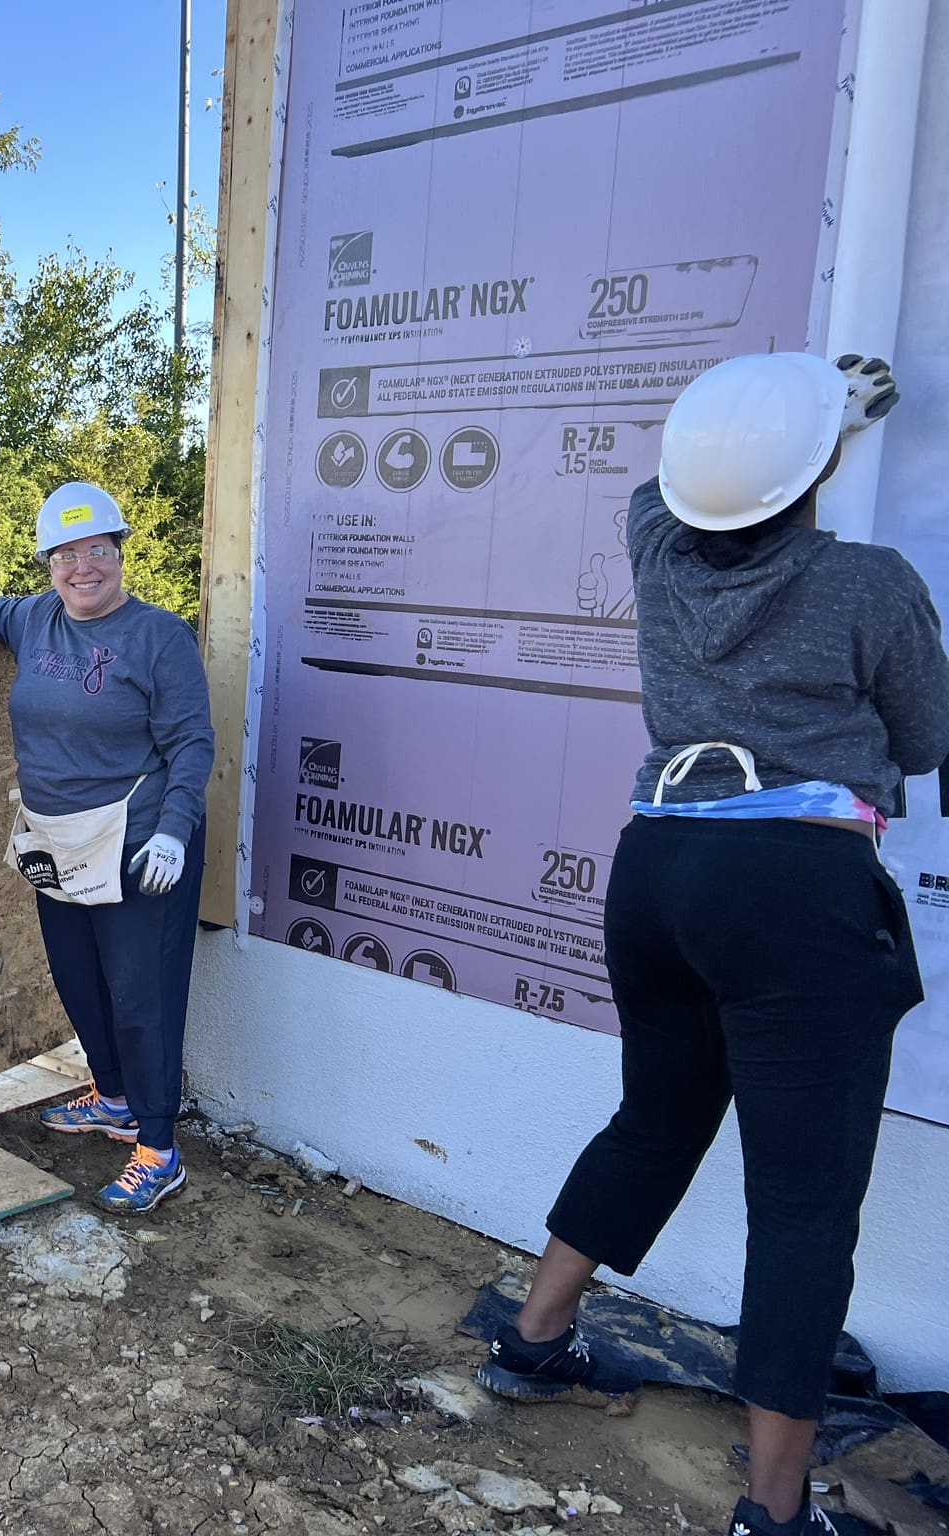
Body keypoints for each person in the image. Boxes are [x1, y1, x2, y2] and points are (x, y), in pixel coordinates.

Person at [474, 354, 947, 1536]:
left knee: (654, 1118)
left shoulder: (650, 544)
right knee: (800, 1205)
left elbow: (673, 486)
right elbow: (927, 738)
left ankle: (533, 1343)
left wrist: (799, 414)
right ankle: (773, 1509)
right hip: (794, 890)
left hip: (659, 869)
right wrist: (829, 411)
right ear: (819, 471)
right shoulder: (869, 583)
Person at [0, 482, 214, 1213]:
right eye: (65, 555)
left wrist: (176, 829)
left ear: (118, 553)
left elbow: (192, 742)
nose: (82, 568)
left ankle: (159, 1146)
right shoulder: (37, 618)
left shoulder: (159, 637)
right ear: (50, 565)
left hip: (138, 841)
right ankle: (112, 1097)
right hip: (57, 837)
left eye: (96, 551)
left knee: (142, 996)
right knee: (79, 978)